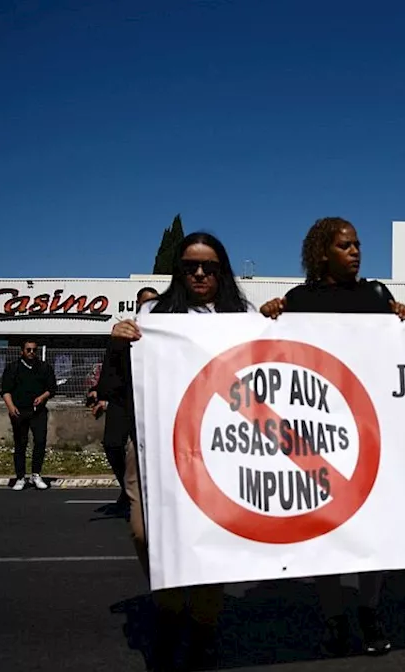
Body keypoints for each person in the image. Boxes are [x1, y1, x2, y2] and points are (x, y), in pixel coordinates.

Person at [259, 217, 405, 657]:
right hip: (318, 429)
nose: (356, 252)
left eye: (358, 245)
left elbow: (402, 351)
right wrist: (268, 319)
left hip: (371, 425)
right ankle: (333, 616)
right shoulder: (298, 300)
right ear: (322, 251)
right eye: (346, 245)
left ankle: (369, 608)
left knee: (373, 528)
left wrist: (403, 319)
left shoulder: (376, 295)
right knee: (325, 527)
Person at [109, 233, 252, 671]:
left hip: (219, 445)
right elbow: (123, 378)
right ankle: (170, 612)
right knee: (145, 533)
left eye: (209, 266)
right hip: (157, 442)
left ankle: (204, 629)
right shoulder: (154, 314)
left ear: (222, 269)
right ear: (179, 270)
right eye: (191, 265)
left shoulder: (241, 316)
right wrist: (119, 342)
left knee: (210, 539)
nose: (200, 273)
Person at [92, 286, 159, 517]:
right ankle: (127, 489)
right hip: (123, 399)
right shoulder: (124, 329)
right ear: (137, 304)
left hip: (151, 399)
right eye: (145, 303)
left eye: (153, 303)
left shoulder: (163, 330)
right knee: (112, 444)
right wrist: (101, 395)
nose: (148, 308)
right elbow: (111, 365)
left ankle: (142, 495)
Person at [0, 340, 57, 491]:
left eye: (34, 350)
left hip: (38, 411)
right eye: (28, 350)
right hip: (19, 411)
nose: (31, 353)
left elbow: (52, 388)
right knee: (20, 443)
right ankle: (20, 477)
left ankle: (36, 474)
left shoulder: (44, 367)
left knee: (40, 441)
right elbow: (5, 390)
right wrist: (11, 407)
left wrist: (42, 397)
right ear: (22, 351)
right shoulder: (13, 368)